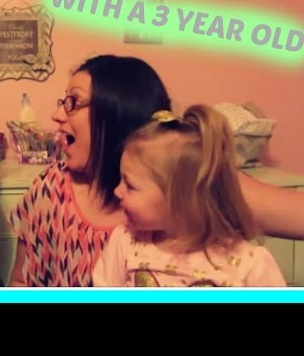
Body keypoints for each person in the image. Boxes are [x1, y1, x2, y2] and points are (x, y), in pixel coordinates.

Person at [8, 54, 304, 287]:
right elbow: (22, 281)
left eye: (72, 102)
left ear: (116, 113)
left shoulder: (198, 183)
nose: (56, 115)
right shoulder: (50, 187)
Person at [92, 106, 286, 287]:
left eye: (130, 186)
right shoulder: (125, 242)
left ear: (181, 200)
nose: (117, 191)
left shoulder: (248, 264)